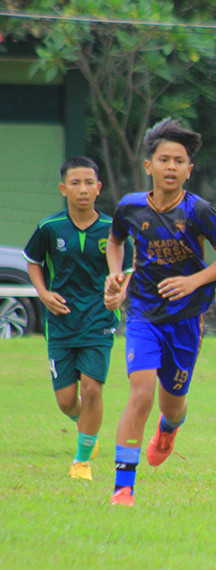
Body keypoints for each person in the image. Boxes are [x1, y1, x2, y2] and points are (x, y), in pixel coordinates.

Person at [103, 118, 216, 507]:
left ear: (189, 170)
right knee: (140, 393)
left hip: (187, 317)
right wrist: (116, 276)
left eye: (179, 161)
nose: (171, 167)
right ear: (149, 166)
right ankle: (123, 488)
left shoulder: (199, 211)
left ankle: (168, 430)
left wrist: (192, 282)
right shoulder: (129, 207)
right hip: (144, 312)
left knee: (172, 404)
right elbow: (115, 243)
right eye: (164, 159)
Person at [23, 156, 133, 481]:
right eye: (75, 183)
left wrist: (120, 293)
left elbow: (127, 270)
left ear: (98, 188)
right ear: (63, 188)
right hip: (60, 322)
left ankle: (82, 460)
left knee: (93, 389)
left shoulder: (113, 229)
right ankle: (86, 426)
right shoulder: (49, 228)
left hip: (99, 319)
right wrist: (43, 293)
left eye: (89, 183)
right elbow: (32, 260)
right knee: (68, 401)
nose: (82, 190)